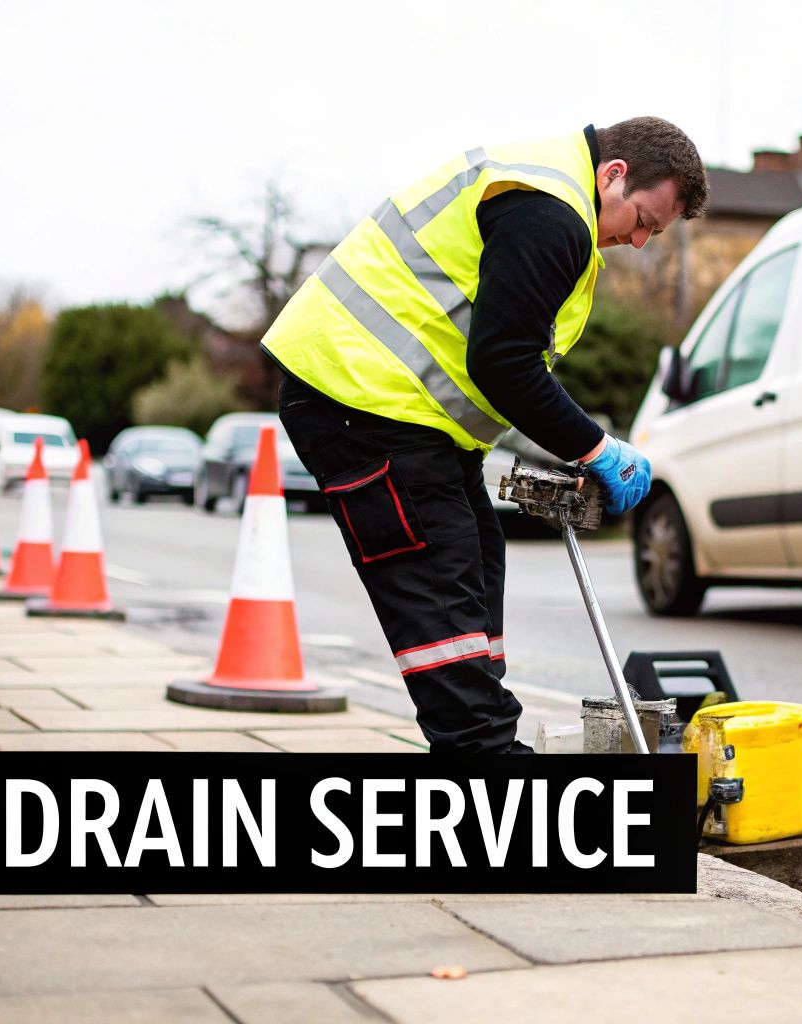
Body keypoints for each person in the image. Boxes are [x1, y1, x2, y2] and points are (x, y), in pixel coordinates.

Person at [264, 118, 709, 754]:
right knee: (441, 598)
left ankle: (476, 749)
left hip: (403, 411)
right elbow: (504, 363)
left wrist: (572, 444)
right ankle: (488, 765)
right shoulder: (551, 213)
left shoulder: (547, 189)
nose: (638, 241)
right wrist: (596, 447)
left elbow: (497, 358)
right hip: (362, 403)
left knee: (477, 563)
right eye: (643, 219)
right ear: (614, 175)